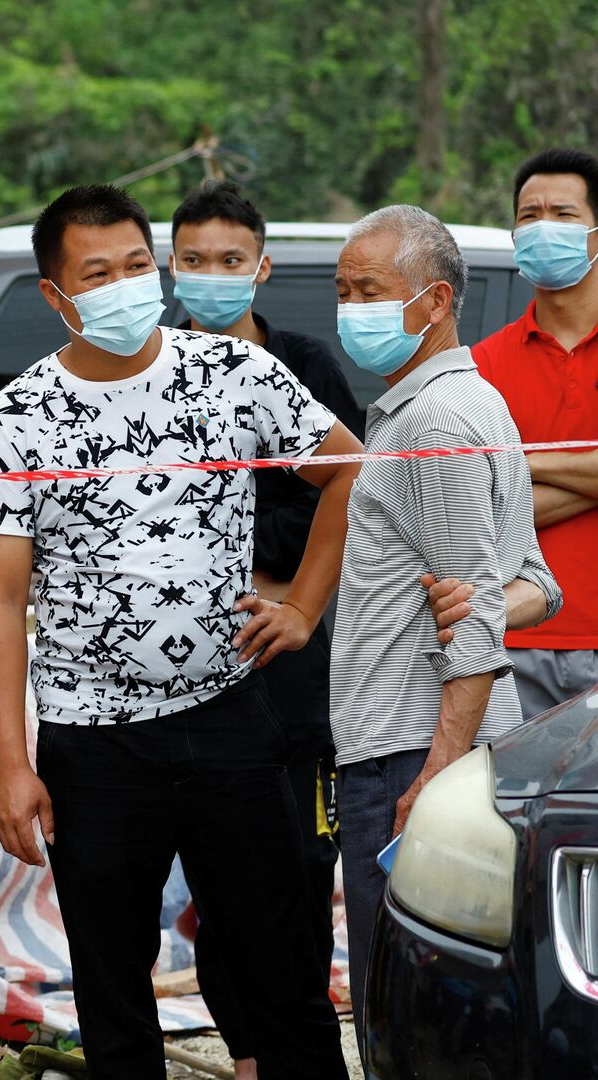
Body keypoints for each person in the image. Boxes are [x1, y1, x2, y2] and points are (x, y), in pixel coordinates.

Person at [0, 184, 357, 1078]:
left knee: (280, 962)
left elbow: (347, 470)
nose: (124, 286)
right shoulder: (17, 419)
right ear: (56, 298)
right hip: (91, 744)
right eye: (96, 273)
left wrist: (304, 605)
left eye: (137, 265)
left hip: (227, 715)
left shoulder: (234, 375)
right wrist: (11, 766)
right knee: (112, 983)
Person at [328, 205, 560, 1032]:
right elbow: (533, 583)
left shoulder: (439, 421)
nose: (350, 308)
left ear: (434, 303)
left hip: (411, 754)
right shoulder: (461, 402)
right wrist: (487, 602)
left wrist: (437, 770)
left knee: (406, 1004)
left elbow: (478, 620)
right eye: (343, 289)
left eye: (370, 291)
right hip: (422, 749)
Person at [168, 180, 361, 1076]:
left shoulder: (303, 363)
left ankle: (292, 1047)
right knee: (216, 878)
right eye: (194, 261)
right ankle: (247, 1052)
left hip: (288, 661)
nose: (212, 276)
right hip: (188, 674)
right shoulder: (152, 370)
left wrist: (241, 555)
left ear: (262, 267)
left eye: (230, 261)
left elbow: (340, 498)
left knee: (297, 869)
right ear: (173, 267)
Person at [472, 149, 598, 720]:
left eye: (563, 214)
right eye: (529, 214)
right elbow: (480, 511)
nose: (543, 226)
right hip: (512, 637)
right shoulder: (480, 365)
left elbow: (502, 485)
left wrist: (519, 459)